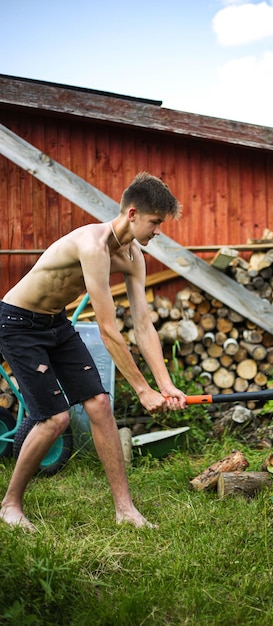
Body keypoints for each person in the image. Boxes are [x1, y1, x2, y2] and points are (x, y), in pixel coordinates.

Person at [0, 172, 187, 532]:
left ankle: (125, 510)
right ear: (132, 214)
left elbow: (144, 324)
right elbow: (108, 330)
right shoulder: (92, 245)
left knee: (100, 404)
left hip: (55, 323)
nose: (158, 230)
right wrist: (142, 389)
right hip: (18, 323)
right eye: (155, 222)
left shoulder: (134, 257)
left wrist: (165, 385)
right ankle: (9, 505)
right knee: (55, 418)